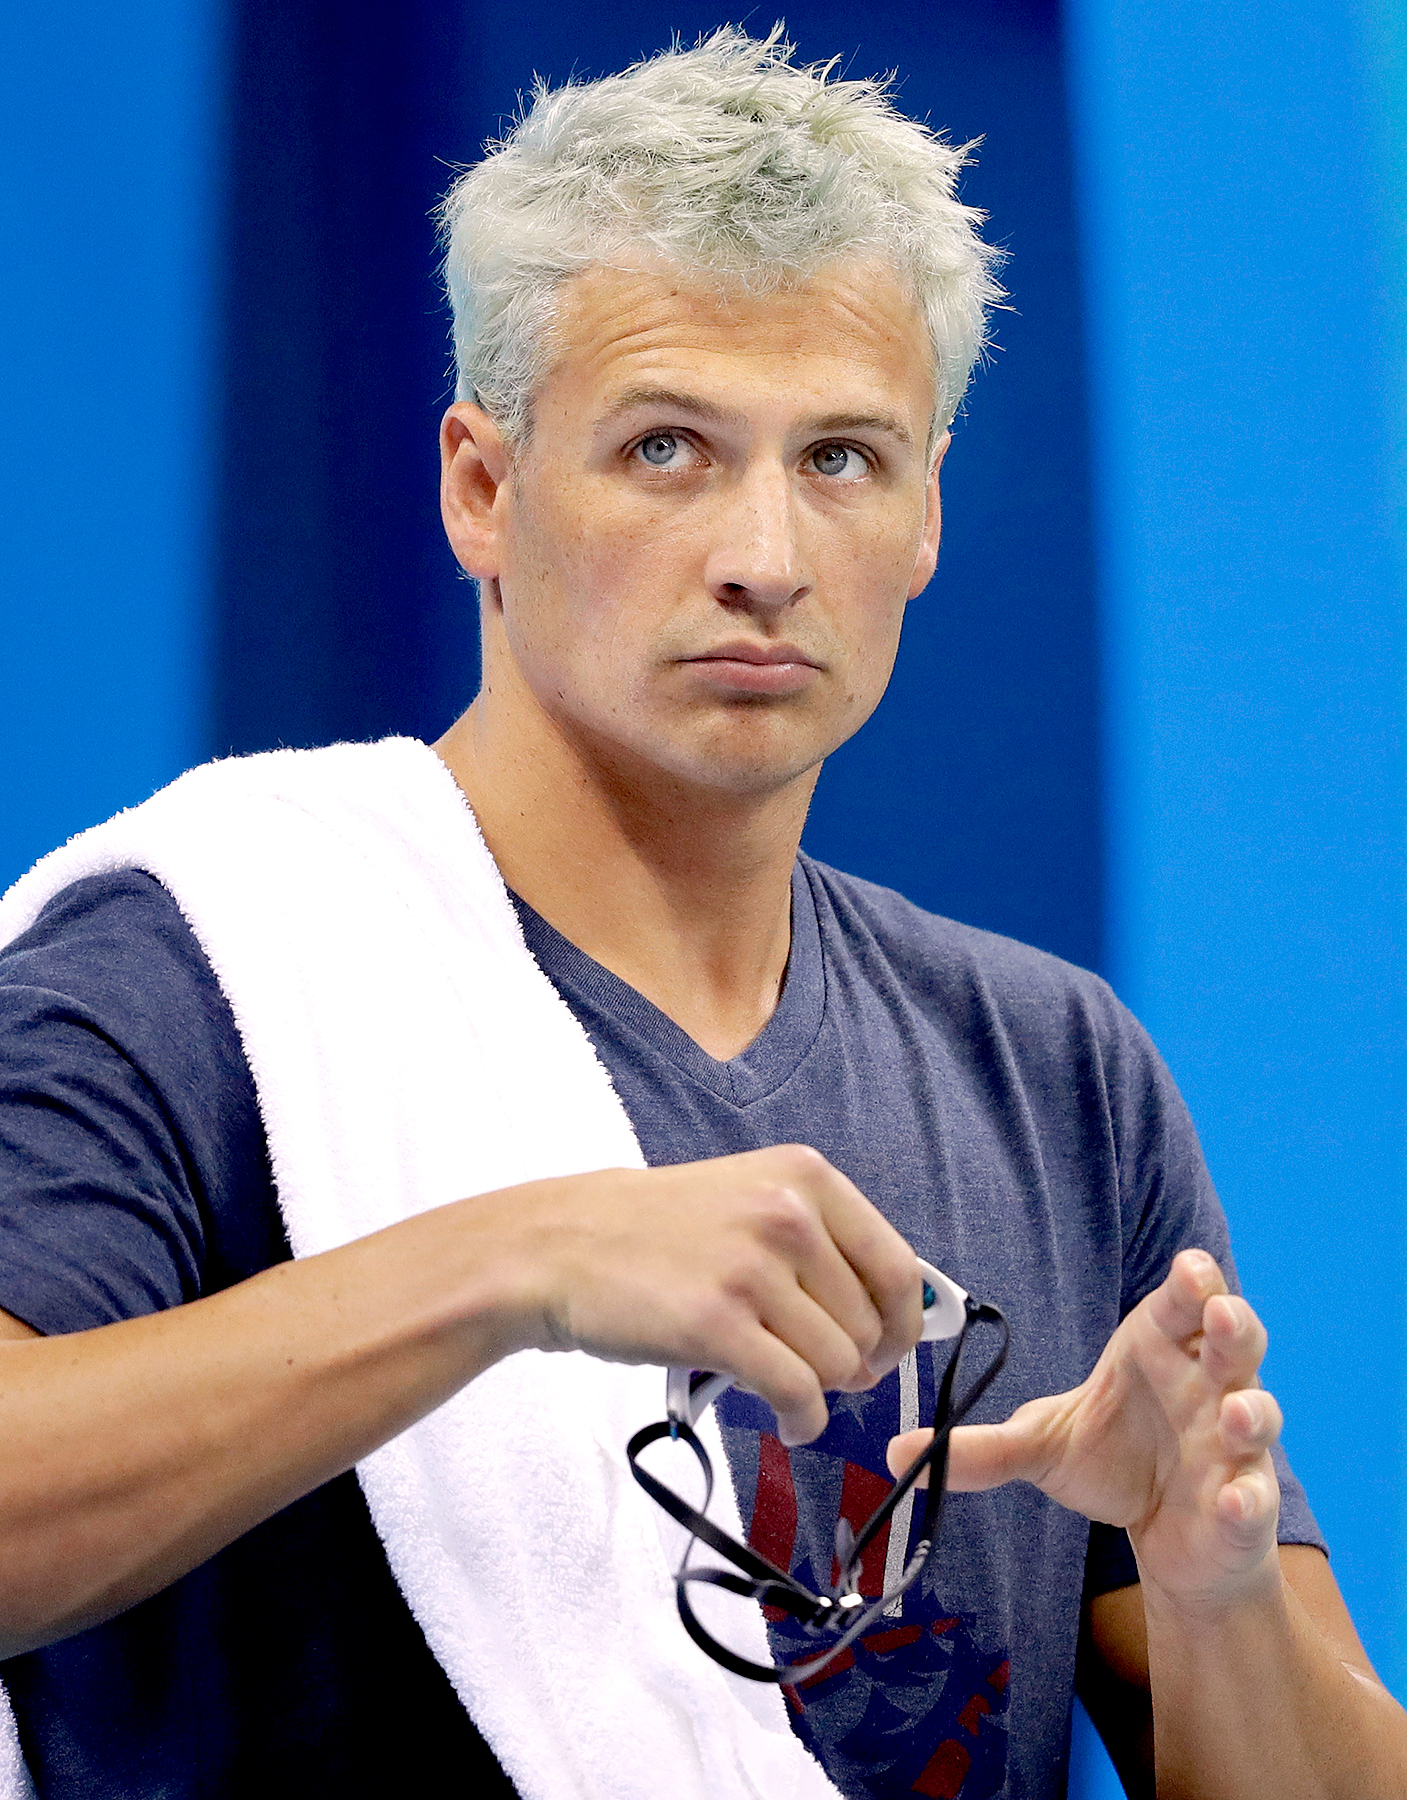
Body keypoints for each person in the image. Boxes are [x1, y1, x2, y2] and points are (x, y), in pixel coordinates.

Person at [0, 28, 1400, 1800]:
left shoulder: (1055, 1070)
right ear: (481, 489)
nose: (767, 552)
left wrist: (1211, 1598)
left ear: (929, 519)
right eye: (669, 448)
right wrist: (508, 1264)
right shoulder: (204, 963)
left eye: (842, 459)